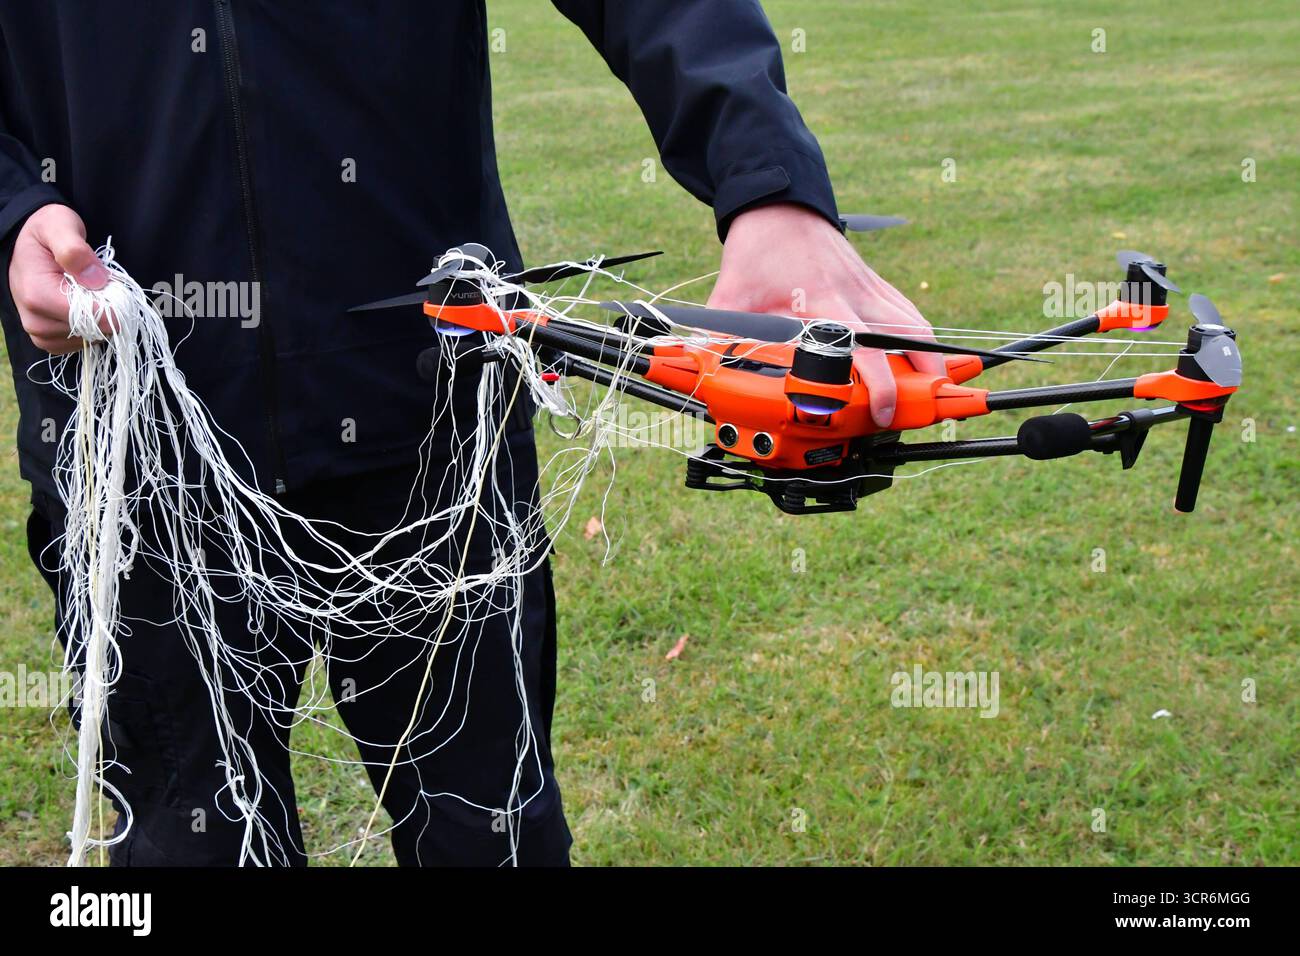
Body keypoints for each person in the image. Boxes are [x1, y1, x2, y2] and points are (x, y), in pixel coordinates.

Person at [0, 2, 937, 866]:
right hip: (130, 445)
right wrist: (13, 216)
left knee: (489, 838)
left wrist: (767, 180)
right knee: (189, 842)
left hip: (431, 418)